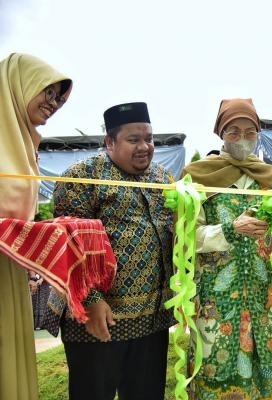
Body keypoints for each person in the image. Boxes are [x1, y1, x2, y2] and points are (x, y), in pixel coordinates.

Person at [181, 98, 272, 399]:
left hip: (264, 295)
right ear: (220, 134)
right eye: (234, 131)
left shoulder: (269, 178)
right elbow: (186, 236)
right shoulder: (199, 177)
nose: (243, 139)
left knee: (267, 368)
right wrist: (229, 230)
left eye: (250, 132)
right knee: (217, 368)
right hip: (217, 299)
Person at [48, 102, 175, 400]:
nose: (145, 147)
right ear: (110, 142)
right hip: (97, 318)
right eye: (134, 140)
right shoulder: (82, 178)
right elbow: (67, 243)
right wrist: (91, 299)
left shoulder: (163, 179)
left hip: (151, 319)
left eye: (149, 138)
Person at [0, 52, 72, 400]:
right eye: (48, 92)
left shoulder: (23, 146)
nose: (54, 103)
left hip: (9, 274)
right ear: (19, 85)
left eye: (60, 96)